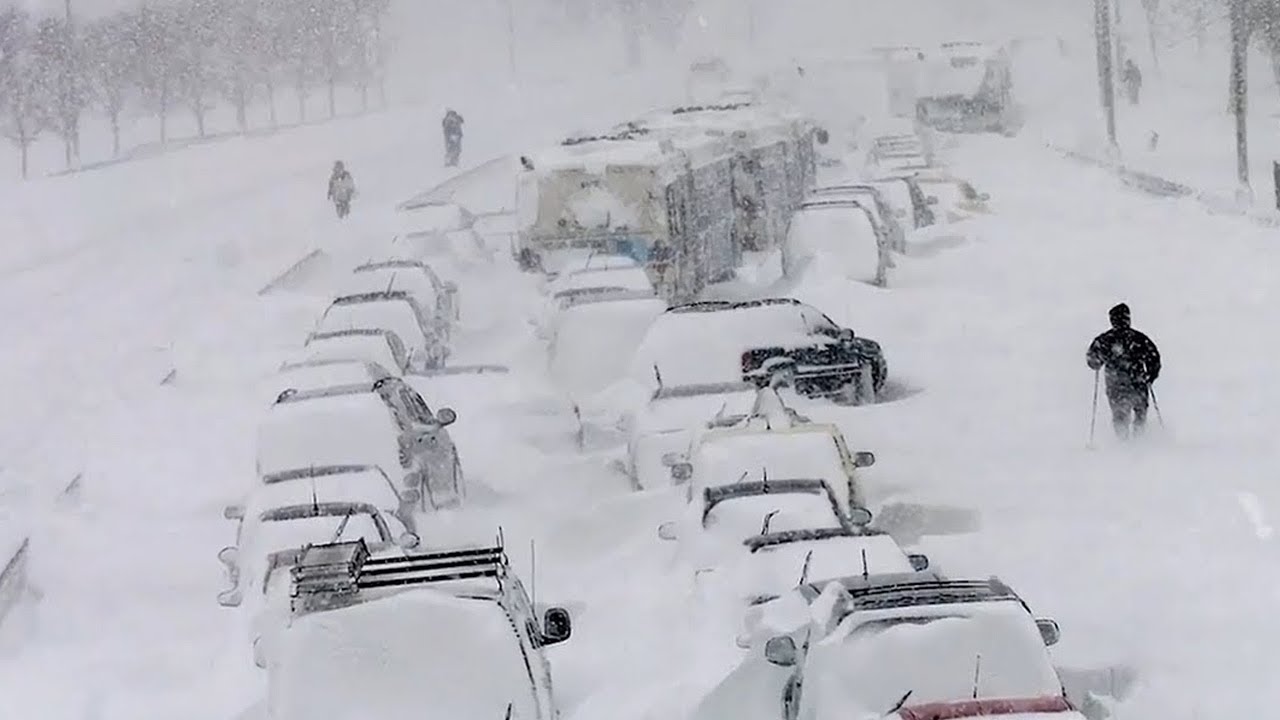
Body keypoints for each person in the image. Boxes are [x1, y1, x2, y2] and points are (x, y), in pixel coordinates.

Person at [1086, 303, 1161, 440]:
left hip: (1115, 385)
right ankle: (1139, 440)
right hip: (1138, 382)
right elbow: (1154, 358)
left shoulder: (1104, 340)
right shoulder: (1139, 339)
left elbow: (1092, 359)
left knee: (1119, 415)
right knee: (1140, 412)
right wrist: (1150, 376)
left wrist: (1096, 362)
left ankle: (1122, 442)